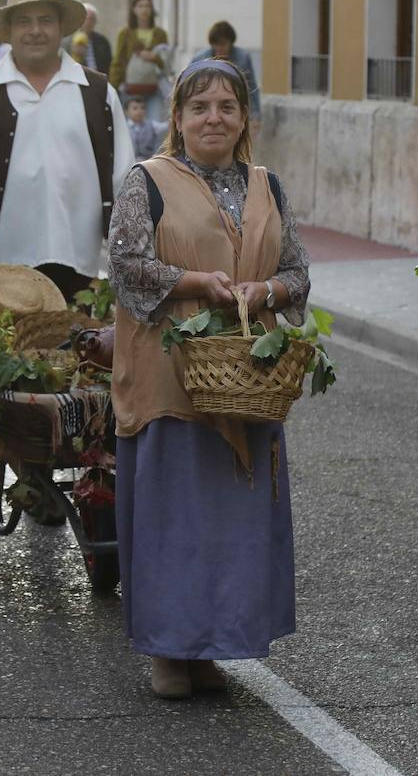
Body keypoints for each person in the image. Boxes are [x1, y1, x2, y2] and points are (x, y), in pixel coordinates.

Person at [107, 58, 311, 698]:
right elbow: (125, 266)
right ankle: (171, 652)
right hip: (170, 376)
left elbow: (299, 274)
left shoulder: (266, 185)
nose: (213, 118)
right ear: (179, 119)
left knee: (228, 521)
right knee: (178, 520)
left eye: (227, 106)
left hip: (243, 377)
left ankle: (213, 644)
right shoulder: (148, 181)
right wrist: (197, 284)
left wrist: (266, 288)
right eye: (200, 108)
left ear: (245, 118)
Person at [0, 0, 133, 530]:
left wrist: (121, 263)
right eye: (25, 21)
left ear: (61, 27)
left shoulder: (96, 91)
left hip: (77, 262)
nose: (36, 30)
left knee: (69, 381)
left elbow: (124, 179)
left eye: (45, 19)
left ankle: (49, 487)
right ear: (10, 30)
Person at [110, 0, 170, 121]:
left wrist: (154, 58)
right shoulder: (125, 33)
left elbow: (167, 63)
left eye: (147, 6)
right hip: (131, 89)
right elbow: (119, 61)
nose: (144, 10)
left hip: (154, 88)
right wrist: (112, 88)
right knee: (131, 130)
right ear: (134, 9)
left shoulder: (160, 34)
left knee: (155, 127)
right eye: (140, 6)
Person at [189, 21, 261, 125]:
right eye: (216, 45)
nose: (220, 48)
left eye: (223, 44)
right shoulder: (200, 59)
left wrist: (256, 115)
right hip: (208, 109)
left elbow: (252, 86)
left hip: (234, 107)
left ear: (230, 43)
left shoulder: (243, 58)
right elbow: (189, 87)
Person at [62, 2, 111, 74]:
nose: (88, 22)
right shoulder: (67, 41)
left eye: (91, 19)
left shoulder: (102, 41)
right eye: (86, 19)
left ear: (95, 22)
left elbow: (108, 65)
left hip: (98, 80)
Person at [125, 96, 166, 161]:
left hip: (149, 162)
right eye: (135, 108)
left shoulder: (152, 125)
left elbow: (166, 126)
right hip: (130, 162)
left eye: (142, 108)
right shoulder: (124, 128)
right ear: (127, 111)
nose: (139, 111)